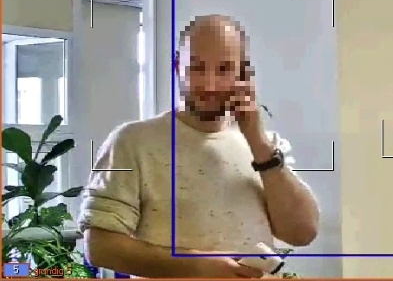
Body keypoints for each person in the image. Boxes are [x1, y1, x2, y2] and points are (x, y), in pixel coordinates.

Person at [79, 14, 320, 278]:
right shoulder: (132, 141)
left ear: (243, 73)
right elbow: (100, 247)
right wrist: (197, 266)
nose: (209, 84)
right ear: (177, 67)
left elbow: (301, 233)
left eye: (224, 69)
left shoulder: (265, 146)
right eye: (196, 67)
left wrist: (258, 141)